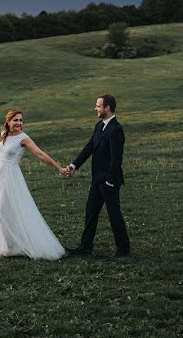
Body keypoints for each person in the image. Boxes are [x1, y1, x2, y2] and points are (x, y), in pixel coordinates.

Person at [0, 109, 67, 260]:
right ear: (8, 121)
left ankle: (8, 249)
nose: (19, 123)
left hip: (11, 177)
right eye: (15, 120)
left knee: (2, 210)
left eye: (21, 120)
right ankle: (6, 248)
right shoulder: (4, 134)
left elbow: (40, 154)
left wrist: (59, 168)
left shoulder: (24, 139)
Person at [63, 94, 131, 257]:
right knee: (91, 212)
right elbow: (89, 148)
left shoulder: (116, 129)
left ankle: (123, 250)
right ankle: (85, 247)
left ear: (107, 108)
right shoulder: (99, 126)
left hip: (109, 181)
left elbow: (116, 159)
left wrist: (109, 180)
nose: (96, 108)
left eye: (98, 106)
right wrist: (74, 165)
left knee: (114, 215)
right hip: (97, 180)